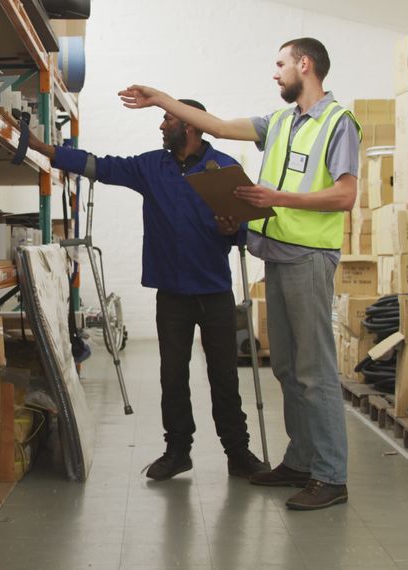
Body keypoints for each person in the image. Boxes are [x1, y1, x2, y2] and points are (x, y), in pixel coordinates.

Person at [118, 37, 360, 510]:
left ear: (304, 65)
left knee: (315, 373)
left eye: (281, 64)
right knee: (289, 369)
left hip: (310, 257)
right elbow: (217, 126)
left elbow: (345, 196)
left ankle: (331, 477)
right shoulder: (279, 123)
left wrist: (277, 200)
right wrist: (162, 99)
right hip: (278, 254)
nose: (275, 73)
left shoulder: (337, 123)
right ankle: (301, 460)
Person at [26, 99, 270, 481]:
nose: (161, 125)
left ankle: (238, 453)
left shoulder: (224, 168)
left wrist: (232, 230)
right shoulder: (151, 166)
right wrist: (47, 151)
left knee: (224, 376)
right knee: (172, 376)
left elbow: (243, 230)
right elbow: (99, 166)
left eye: (168, 118)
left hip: (214, 291)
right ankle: (177, 451)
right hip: (171, 292)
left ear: (190, 125)